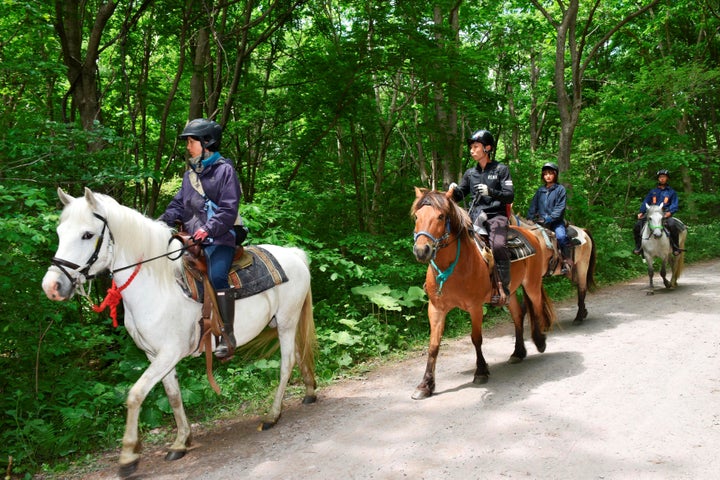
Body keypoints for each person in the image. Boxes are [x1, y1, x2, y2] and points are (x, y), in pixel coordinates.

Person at [159, 118, 243, 359]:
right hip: (192, 241)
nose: (188, 146)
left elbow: (228, 208)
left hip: (220, 238)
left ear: (207, 143)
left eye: (192, 141)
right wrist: (160, 223)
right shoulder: (189, 176)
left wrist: (208, 229)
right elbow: (177, 205)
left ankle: (228, 336)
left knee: (217, 276)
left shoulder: (225, 170)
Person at [450, 129, 514, 305]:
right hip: (474, 217)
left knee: (499, 246)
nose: (472, 150)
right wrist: (452, 191)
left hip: (496, 216)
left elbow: (509, 195)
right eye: (471, 147)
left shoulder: (501, 169)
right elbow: (458, 196)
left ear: (487, 148)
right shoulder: (470, 173)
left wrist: (490, 191)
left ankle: (504, 288)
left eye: (476, 146)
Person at [527, 162, 572, 274]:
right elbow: (533, 206)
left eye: (550, 173)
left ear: (555, 175)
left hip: (556, 222)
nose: (547, 176)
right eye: (545, 174)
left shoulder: (560, 189)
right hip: (540, 222)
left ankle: (566, 261)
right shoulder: (540, 191)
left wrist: (548, 219)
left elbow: (560, 208)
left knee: (561, 237)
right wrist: (530, 218)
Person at [632, 169, 682, 256]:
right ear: (658, 179)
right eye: (660, 177)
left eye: (664, 177)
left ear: (667, 178)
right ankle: (639, 247)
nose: (662, 179)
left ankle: (675, 247)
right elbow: (646, 202)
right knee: (637, 226)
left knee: (672, 225)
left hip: (665, 213)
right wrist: (641, 211)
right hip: (652, 214)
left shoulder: (671, 192)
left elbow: (674, 204)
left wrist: (670, 212)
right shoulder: (653, 191)